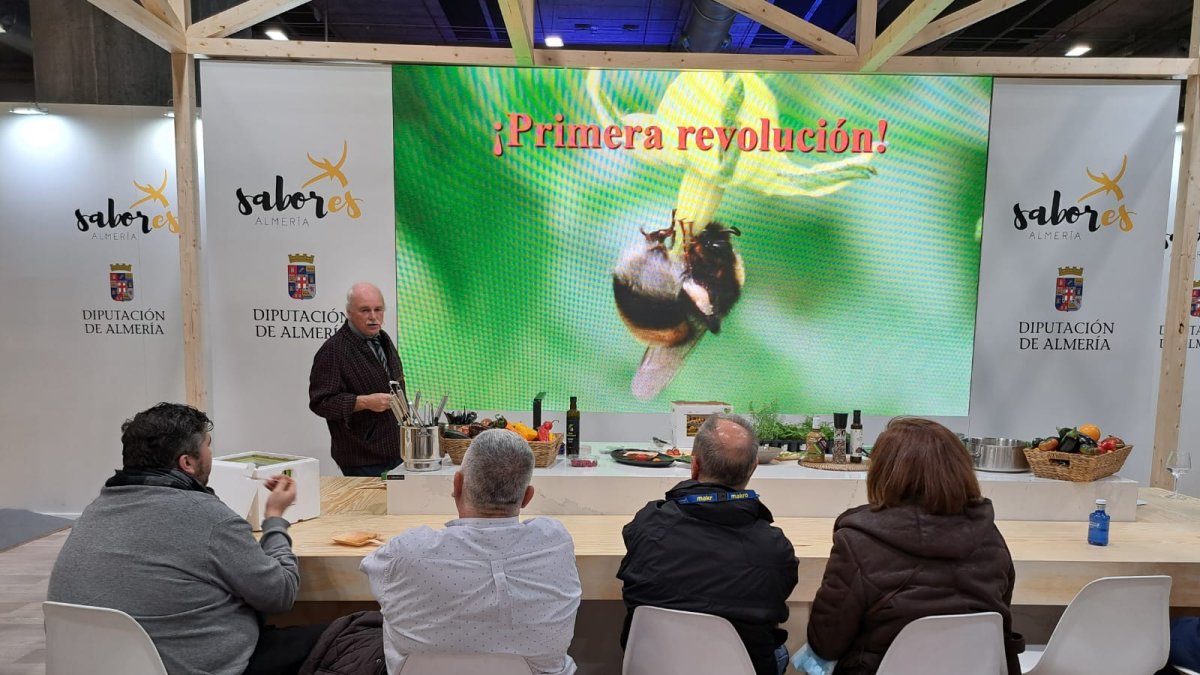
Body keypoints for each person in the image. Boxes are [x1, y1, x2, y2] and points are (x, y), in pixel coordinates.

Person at [47, 403, 321, 675]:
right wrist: (274, 518)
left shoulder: (94, 511)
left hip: (93, 666)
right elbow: (280, 594)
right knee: (346, 635)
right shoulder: (209, 519)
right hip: (195, 667)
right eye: (208, 445)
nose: (211, 454)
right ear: (187, 462)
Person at [805, 417, 1024, 675]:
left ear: (884, 472)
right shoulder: (990, 536)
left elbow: (826, 644)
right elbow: (1000, 624)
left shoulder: (857, 543)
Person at [362, 429, 581, 674]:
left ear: (457, 484)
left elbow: (371, 573)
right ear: (527, 497)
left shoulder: (407, 552)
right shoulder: (556, 542)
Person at [617, 413, 799, 675]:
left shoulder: (648, 524)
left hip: (651, 666)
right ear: (753, 468)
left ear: (694, 466)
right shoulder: (775, 548)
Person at [309, 282, 407, 476]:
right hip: (362, 458)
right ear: (349, 312)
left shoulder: (383, 339)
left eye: (378, 309)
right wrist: (363, 402)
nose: (373, 316)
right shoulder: (333, 350)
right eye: (365, 310)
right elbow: (320, 402)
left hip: (397, 451)